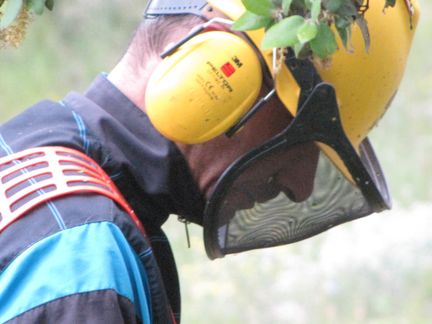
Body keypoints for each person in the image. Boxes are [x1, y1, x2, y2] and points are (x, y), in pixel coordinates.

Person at [0, 0, 419, 323]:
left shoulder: (29, 158)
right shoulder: (81, 263)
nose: (302, 184)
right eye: (303, 138)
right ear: (220, 74)